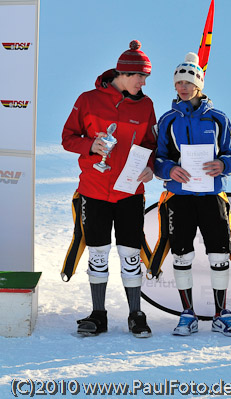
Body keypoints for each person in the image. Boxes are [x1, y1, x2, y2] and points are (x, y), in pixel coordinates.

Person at [61, 40, 156, 338]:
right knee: (98, 252)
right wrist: (90, 145)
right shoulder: (88, 100)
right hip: (94, 189)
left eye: (145, 78)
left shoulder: (146, 105)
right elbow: (67, 138)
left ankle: (135, 314)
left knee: (130, 252)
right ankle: (98, 314)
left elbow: (152, 145)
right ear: (124, 74)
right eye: (140, 76)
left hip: (130, 192)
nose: (143, 82)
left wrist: (150, 166)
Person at [154, 52, 231, 337]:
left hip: (212, 195)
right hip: (179, 197)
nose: (183, 87)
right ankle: (187, 314)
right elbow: (157, 159)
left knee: (219, 252)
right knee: (181, 253)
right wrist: (169, 169)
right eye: (179, 82)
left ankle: (221, 313)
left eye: (188, 81)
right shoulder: (167, 119)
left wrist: (223, 164)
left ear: (199, 84)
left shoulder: (218, 118)